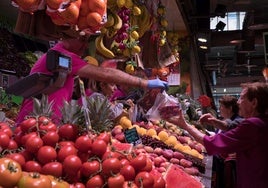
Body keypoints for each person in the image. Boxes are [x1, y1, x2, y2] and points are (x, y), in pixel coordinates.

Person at [16, 36, 168, 124]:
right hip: (32, 123)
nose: (84, 45)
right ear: (66, 36)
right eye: (81, 39)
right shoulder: (62, 54)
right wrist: (144, 83)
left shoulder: (64, 59)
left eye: (86, 40)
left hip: (48, 125)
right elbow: (105, 74)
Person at [165, 82, 268, 188]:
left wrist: (185, 125)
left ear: (254, 103)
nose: (238, 102)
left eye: (242, 98)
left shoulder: (253, 125)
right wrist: (215, 122)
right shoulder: (261, 122)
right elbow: (232, 126)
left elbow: (212, 142)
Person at [201, 95, 243, 188]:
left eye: (221, 107)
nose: (219, 109)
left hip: (229, 167)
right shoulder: (224, 120)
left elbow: (225, 139)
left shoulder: (238, 121)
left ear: (230, 108)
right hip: (220, 162)